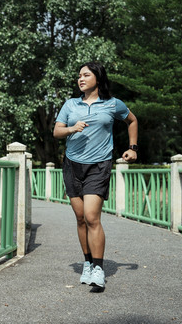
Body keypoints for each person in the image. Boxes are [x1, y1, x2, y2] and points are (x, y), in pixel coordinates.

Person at [53, 62, 138, 289]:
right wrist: (71, 129)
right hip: (72, 165)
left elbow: (132, 120)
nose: (80, 79)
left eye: (86, 75)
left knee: (92, 217)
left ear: (98, 79)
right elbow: (57, 130)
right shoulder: (71, 104)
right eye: (79, 75)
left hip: (99, 165)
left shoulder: (112, 104)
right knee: (80, 218)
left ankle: (99, 270)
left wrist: (133, 148)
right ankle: (88, 263)